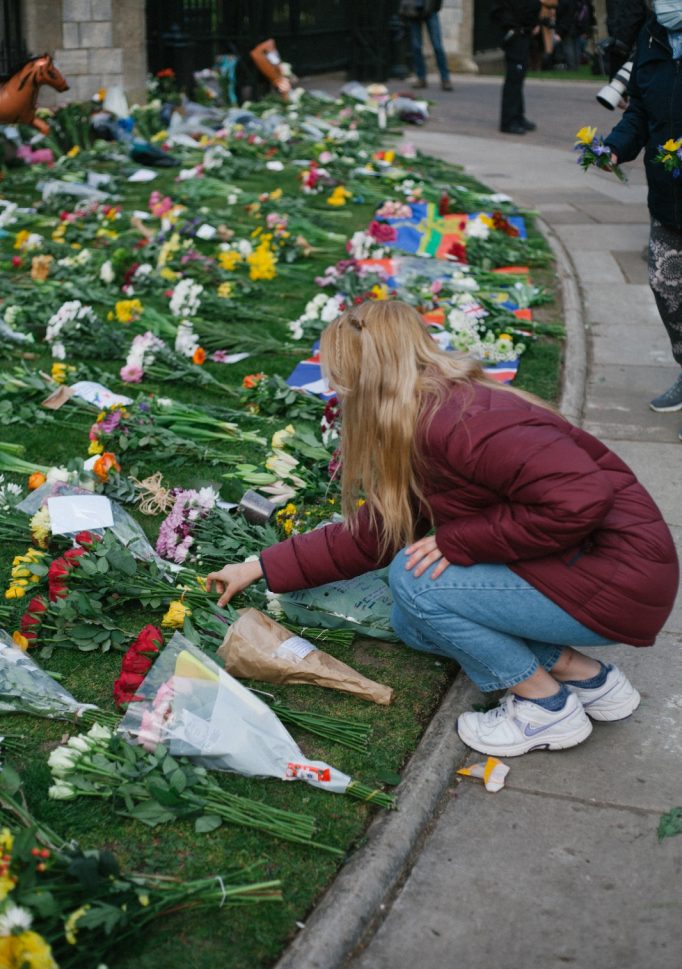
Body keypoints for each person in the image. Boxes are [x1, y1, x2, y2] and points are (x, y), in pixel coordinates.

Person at [206, 300, 678, 759]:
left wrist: (458, 542)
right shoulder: (426, 414)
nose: (332, 386)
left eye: (338, 375)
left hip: (617, 575)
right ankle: (589, 678)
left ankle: (545, 708)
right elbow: (378, 531)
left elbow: (580, 499)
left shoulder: (460, 424)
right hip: (587, 565)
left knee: (415, 582)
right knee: (411, 621)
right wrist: (259, 566)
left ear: (365, 377)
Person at [604, 2, 682, 431]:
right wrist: (616, 146)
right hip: (668, 195)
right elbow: (639, 108)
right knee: (666, 287)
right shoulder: (653, 33)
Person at [491, 1, 541, 134]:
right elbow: (501, 11)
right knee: (514, 78)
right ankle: (508, 121)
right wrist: (513, 27)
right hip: (516, 34)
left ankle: (518, 116)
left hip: (524, 33)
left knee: (519, 77)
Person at [400, 0, 453, 91]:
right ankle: (421, 78)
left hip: (430, 10)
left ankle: (445, 79)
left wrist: (435, 7)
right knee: (416, 47)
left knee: (437, 46)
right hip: (413, 10)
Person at [556, 0, 595, 71]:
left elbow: (559, 13)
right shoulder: (581, 2)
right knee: (576, 47)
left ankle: (571, 67)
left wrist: (558, 28)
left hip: (566, 26)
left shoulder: (565, 2)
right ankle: (576, 66)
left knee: (568, 47)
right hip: (578, 26)